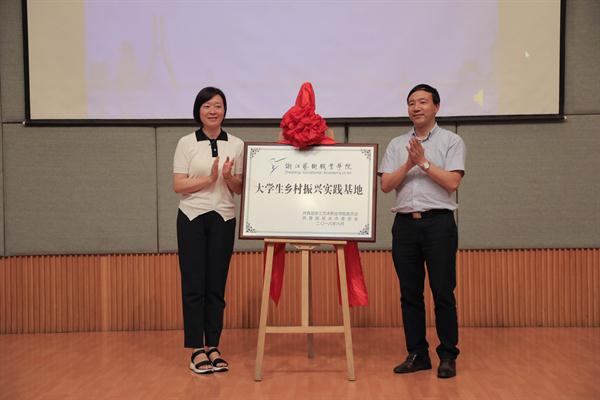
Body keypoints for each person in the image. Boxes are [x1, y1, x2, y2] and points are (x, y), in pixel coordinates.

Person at [379, 84, 466, 379]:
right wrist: (408, 163)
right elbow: (386, 185)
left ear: (436, 107)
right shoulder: (397, 144)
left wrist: (424, 163)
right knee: (410, 293)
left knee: (443, 292)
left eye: (423, 102)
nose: (416, 107)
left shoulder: (452, 141)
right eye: (411, 103)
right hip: (405, 225)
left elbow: (452, 182)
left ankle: (448, 355)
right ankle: (417, 354)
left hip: (438, 224)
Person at [172, 87, 243, 374]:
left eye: (218, 106)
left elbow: (239, 188)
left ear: (224, 110)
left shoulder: (236, 144)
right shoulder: (186, 142)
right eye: (207, 106)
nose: (213, 111)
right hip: (192, 217)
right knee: (194, 285)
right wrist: (208, 179)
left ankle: (213, 345)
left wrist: (227, 178)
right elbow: (178, 185)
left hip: (223, 218)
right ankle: (196, 349)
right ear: (198, 110)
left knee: (216, 285)